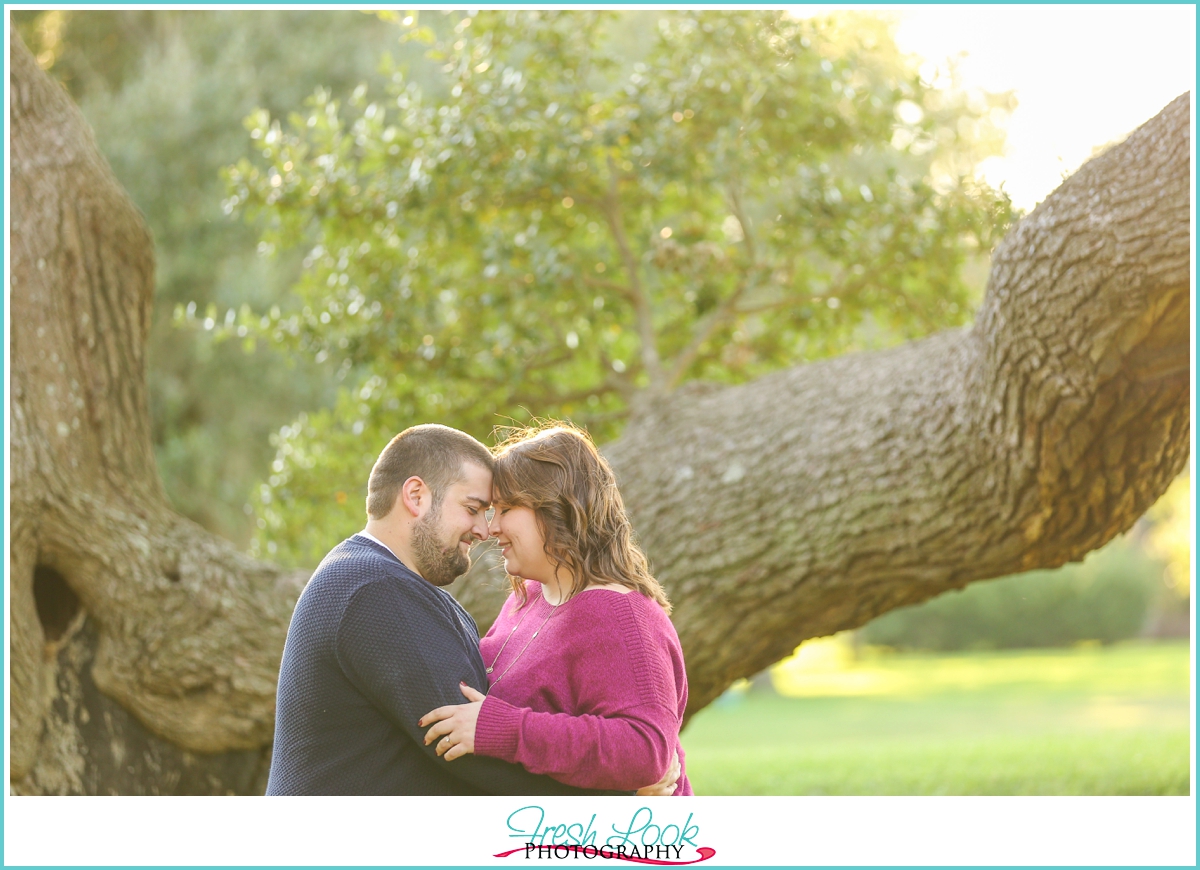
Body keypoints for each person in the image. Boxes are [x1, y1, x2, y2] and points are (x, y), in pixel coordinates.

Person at [267, 423, 630, 795]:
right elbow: (468, 750)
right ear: (416, 496)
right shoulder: (372, 589)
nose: (484, 530)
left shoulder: (386, 582)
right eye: (473, 509)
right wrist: (623, 790)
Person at [420, 423, 693, 795]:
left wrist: (502, 730)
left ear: (557, 507)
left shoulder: (621, 617)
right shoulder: (529, 596)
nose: (491, 527)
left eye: (506, 508)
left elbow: (646, 751)